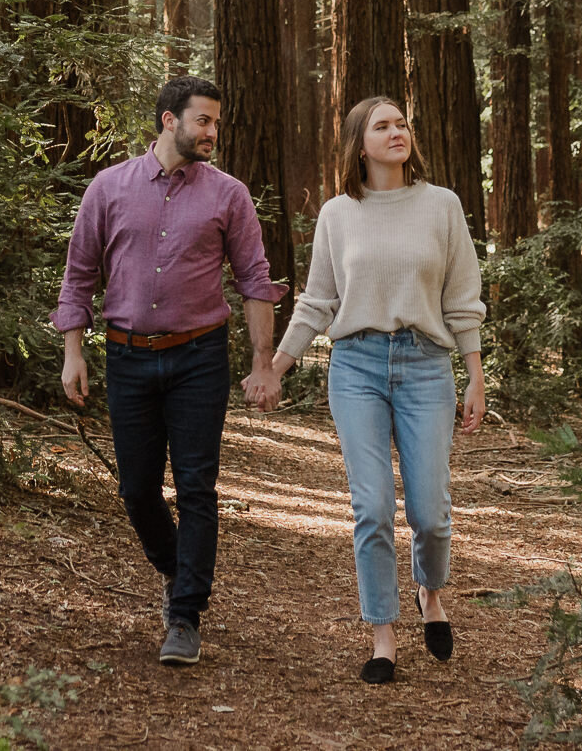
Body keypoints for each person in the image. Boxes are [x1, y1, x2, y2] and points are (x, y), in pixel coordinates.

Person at [55, 76, 287, 667]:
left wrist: (265, 362)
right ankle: (179, 567)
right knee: (135, 489)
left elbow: (255, 281)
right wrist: (73, 351)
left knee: (196, 486)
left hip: (198, 357)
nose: (213, 132)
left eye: (216, 122)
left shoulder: (229, 196)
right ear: (168, 121)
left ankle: (184, 614)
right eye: (203, 120)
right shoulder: (109, 188)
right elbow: (80, 274)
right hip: (126, 354)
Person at [257, 96, 487, 684]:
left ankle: (429, 594)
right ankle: (383, 634)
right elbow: (317, 301)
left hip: (426, 365)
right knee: (374, 508)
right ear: (360, 144)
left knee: (431, 513)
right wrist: (275, 367)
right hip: (355, 367)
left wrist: (475, 373)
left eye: (402, 124)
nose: (396, 133)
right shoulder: (338, 213)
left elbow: (462, 297)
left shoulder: (442, 205)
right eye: (382, 126)